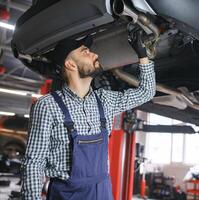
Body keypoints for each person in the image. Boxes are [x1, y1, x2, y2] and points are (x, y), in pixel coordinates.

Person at [20, 28, 156, 200]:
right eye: (85, 52)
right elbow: (34, 162)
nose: (94, 54)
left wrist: (143, 55)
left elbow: (146, 92)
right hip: (67, 194)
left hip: (102, 191)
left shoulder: (105, 100)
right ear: (70, 65)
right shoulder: (48, 106)